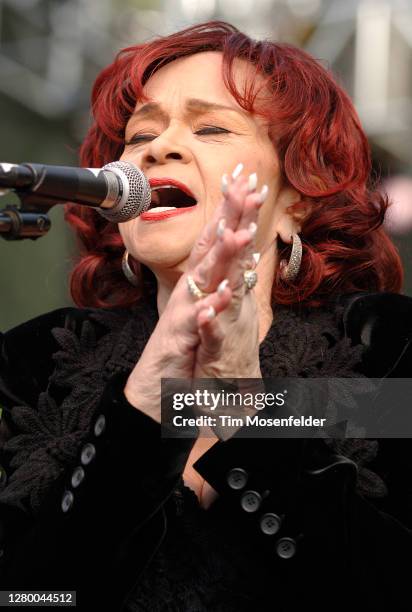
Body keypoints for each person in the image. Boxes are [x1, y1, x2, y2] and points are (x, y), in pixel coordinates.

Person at [0, 19, 411, 612]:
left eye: (212, 126)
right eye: (140, 134)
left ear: (297, 200)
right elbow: (33, 598)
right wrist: (145, 401)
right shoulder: (37, 364)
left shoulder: (384, 348)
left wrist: (239, 399)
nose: (156, 147)